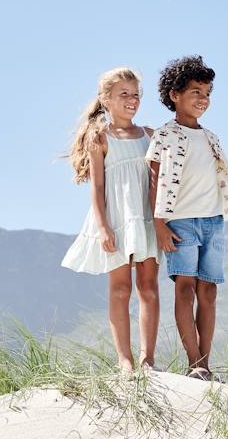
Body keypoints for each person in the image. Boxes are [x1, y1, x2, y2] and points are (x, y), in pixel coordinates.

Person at [146, 55, 228, 380]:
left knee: (209, 292)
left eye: (208, 92)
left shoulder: (211, 138)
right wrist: (159, 223)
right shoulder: (164, 136)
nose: (203, 99)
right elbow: (154, 179)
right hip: (180, 222)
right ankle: (193, 362)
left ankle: (206, 364)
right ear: (175, 95)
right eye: (196, 91)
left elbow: (223, 174)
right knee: (184, 288)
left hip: (213, 222)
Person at [62, 67, 159, 373]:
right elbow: (98, 187)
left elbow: (159, 183)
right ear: (106, 99)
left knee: (149, 287)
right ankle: (125, 360)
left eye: (135, 94)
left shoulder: (150, 135)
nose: (132, 100)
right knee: (120, 289)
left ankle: (148, 359)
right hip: (116, 219)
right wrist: (103, 227)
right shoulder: (100, 138)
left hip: (144, 218)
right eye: (124, 95)